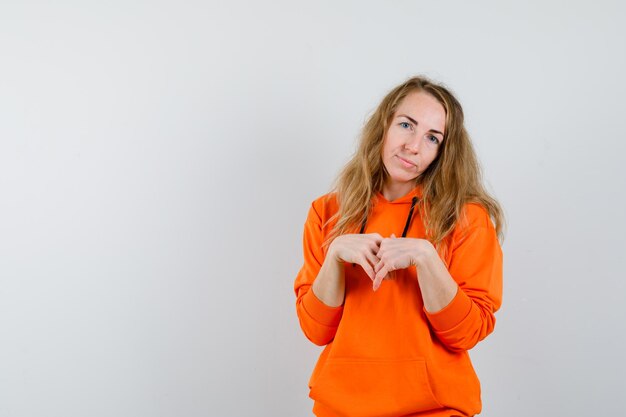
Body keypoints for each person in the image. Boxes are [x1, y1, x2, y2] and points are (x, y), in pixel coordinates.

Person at [294, 76, 504, 417]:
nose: (413, 146)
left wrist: (426, 257)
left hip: (434, 409)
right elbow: (316, 330)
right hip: (340, 408)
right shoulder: (328, 212)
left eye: (432, 138)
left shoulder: (466, 218)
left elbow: (467, 333)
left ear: (442, 152)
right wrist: (334, 256)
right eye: (407, 125)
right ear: (384, 125)